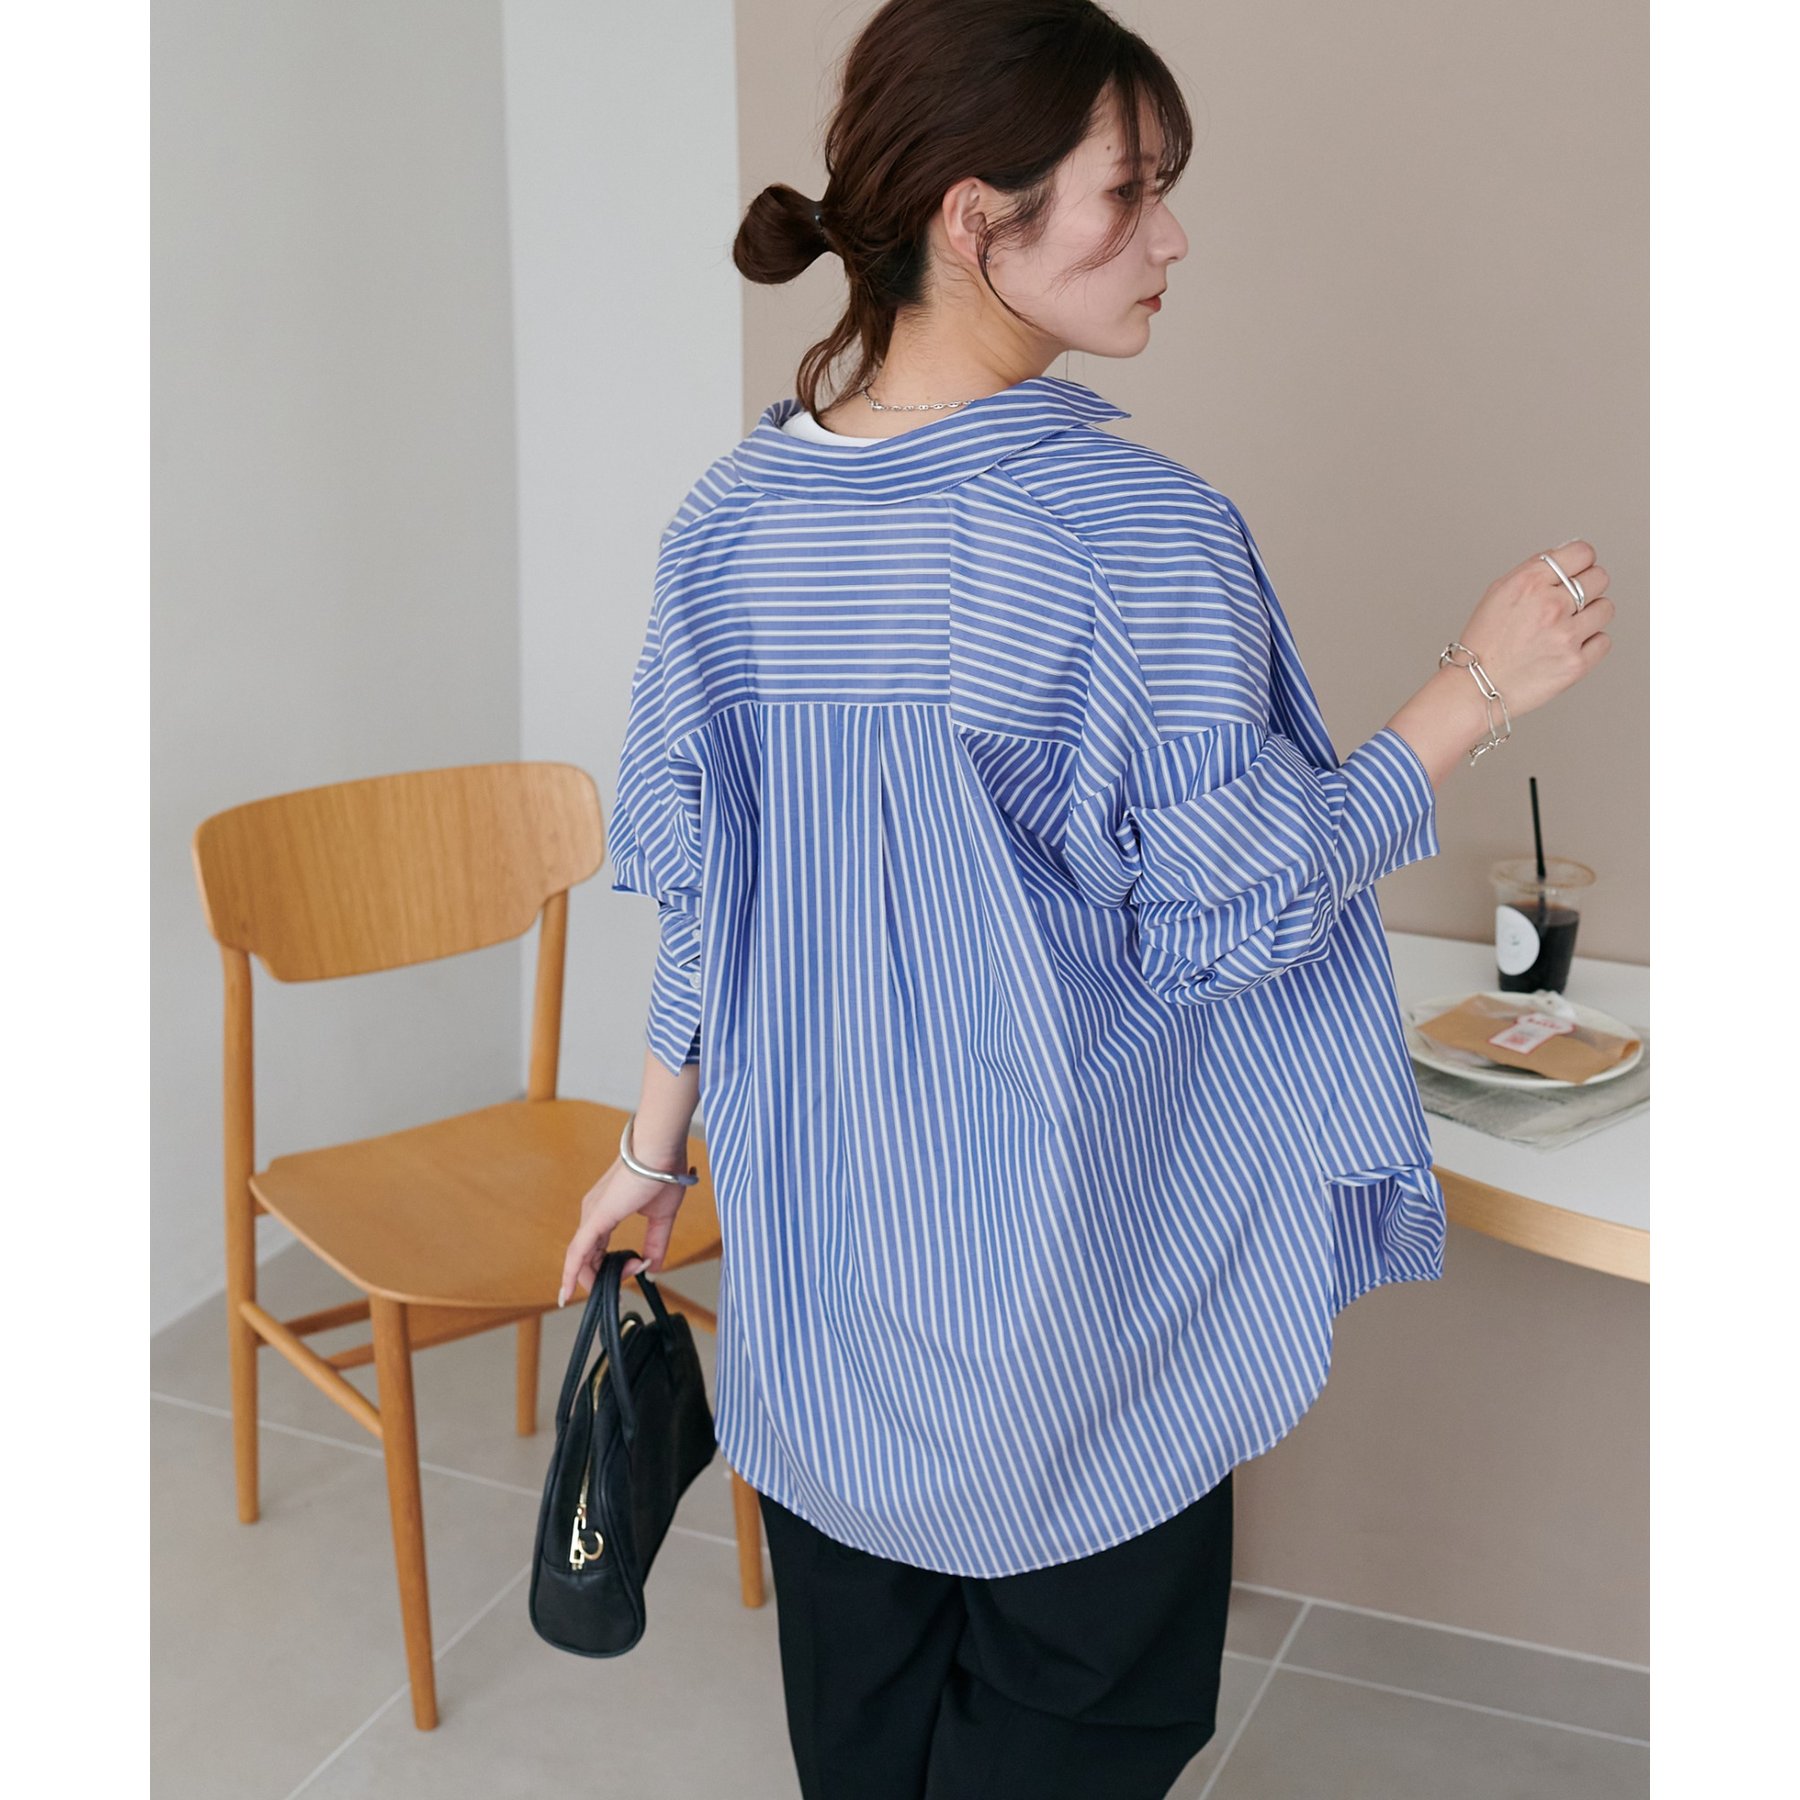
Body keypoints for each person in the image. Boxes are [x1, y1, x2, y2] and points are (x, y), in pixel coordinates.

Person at [557, 2, 1616, 1794]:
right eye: (1130, 195)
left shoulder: (730, 522)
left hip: (827, 1305)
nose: (1173, 238)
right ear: (975, 219)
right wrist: (1471, 694)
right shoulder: (1129, 533)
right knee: (1080, 1737)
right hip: (1068, 1305)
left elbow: (706, 897)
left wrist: (651, 1157)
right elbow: (1228, 916)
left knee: (865, 1745)